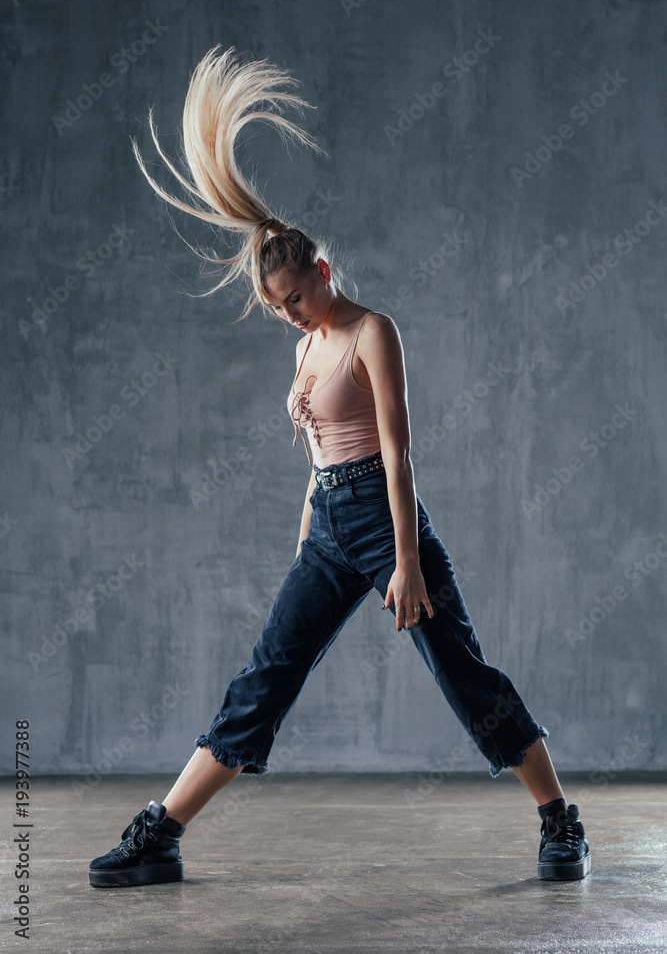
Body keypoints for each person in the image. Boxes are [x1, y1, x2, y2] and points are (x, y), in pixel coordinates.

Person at [88, 46, 590, 888]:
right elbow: (318, 459)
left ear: (324, 270)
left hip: (385, 520)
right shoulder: (311, 342)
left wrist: (402, 562)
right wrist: (304, 543)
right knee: (265, 676)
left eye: (297, 298)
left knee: (465, 675)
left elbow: (395, 454)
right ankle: (162, 833)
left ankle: (558, 821)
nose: (290, 316)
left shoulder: (370, 331)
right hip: (328, 523)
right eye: (278, 308)